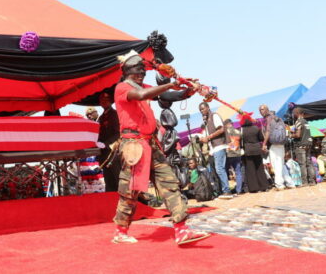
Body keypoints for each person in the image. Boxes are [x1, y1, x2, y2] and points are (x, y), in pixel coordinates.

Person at [112, 50, 209, 245]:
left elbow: (167, 94)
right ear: (127, 71)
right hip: (134, 147)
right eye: (137, 71)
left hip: (151, 144)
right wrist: (172, 82)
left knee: (170, 185)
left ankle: (181, 229)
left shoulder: (142, 86)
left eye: (142, 71)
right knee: (130, 192)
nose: (141, 74)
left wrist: (188, 90)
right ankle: (121, 231)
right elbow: (142, 95)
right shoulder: (122, 88)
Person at [199, 102, 233, 199]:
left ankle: (227, 190)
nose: (202, 111)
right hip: (214, 147)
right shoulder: (207, 120)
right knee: (218, 169)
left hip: (219, 145)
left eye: (203, 109)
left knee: (219, 169)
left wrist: (208, 137)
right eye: (200, 110)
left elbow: (221, 129)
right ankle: (223, 190)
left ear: (208, 107)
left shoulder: (214, 116)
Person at [259, 105, 295, 191]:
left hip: (273, 144)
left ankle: (279, 184)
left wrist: (264, 144)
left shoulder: (268, 119)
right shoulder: (278, 118)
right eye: (260, 110)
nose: (261, 111)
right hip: (281, 143)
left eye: (262, 109)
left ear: (267, 110)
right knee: (281, 164)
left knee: (276, 165)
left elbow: (268, 131)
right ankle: (290, 183)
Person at [97, 92, 121, 192]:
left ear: (111, 101)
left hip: (113, 152)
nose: (104, 102)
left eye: (106, 100)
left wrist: (106, 143)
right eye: (102, 100)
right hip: (104, 154)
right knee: (109, 181)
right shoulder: (101, 118)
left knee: (118, 178)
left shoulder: (115, 114)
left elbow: (118, 133)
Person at [241, 118, 270, 192]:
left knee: (250, 169)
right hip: (257, 149)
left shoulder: (241, 130)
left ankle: (254, 188)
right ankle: (264, 186)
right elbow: (261, 138)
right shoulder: (256, 128)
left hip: (247, 150)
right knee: (260, 168)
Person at [290, 107, 316, 186]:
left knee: (302, 164)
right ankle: (312, 181)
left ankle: (304, 182)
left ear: (296, 113)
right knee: (309, 163)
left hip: (300, 145)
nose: (293, 115)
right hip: (308, 144)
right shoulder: (305, 121)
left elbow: (298, 135)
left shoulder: (298, 122)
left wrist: (290, 135)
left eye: (293, 113)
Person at [224, 119, 244, 194]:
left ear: (226, 125)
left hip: (228, 154)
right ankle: (239, 190)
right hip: (237, 153)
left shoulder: (225, 132)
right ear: (232, 124)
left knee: (225, 172)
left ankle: (227, 190)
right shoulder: (238, 132)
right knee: (238, 172)